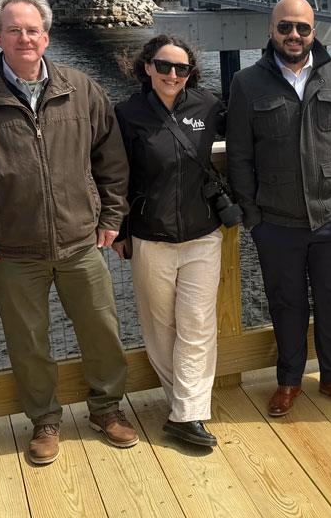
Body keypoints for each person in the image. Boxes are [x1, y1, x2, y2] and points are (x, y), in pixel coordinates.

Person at [0, 0, 136, 464]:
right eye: (13, 31)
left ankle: (106, 409)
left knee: (102, 332)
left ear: (47, 36)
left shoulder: (82, 88)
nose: (24, 38)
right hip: (12, 250)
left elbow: (111, 161)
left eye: (33, 30)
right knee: (28, 344)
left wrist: (112, 216)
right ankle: (45, 421)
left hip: (81, 243)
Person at [226, 0, 331, 418]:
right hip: (276, 220)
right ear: (271, 31)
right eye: (285, 27)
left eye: (302, 28)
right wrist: (253, 218)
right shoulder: (247, 82)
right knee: (285, 303)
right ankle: (288, 381)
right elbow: (239, 156)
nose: (294, 35)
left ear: (314, 32)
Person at [112, 35, 226, 447]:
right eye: (164, 66)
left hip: (202, 235)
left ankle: (187, 414)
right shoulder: (126, 114)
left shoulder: (208, 105)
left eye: (181, 69)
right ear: (147, 67)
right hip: (150, 237)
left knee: (197, 325)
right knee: (160, 328)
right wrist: (121, 231)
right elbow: (114, 176)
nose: (173, 75)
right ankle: (180, 404)